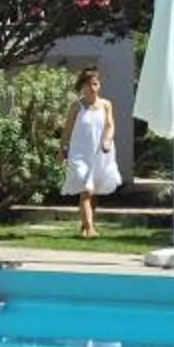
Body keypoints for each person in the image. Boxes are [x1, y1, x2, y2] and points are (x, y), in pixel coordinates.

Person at [61, 68, 120, 237]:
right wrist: (62, 150)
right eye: (89, 84)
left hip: (100, 152)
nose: (93, 87)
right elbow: (67, 130)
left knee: (93, 191)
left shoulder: (106, 105)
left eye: (95, 83)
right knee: (86, 189)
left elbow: (110, 125)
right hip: (80, 152)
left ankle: (86, 224)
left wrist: (108, 140)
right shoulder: (76, 106)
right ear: (83, 87)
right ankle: (89, 229)